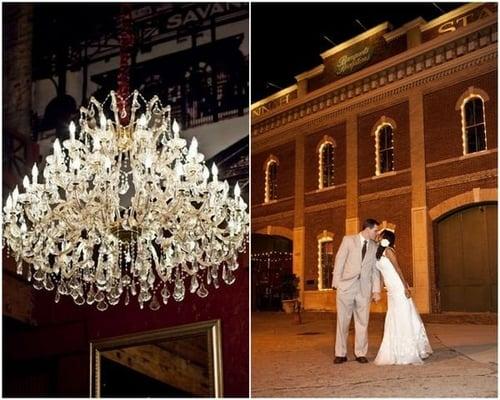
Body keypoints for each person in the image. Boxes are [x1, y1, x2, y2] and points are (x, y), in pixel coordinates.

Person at [374, 228, 433, 365]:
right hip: (391, 291)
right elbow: (382, 275)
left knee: (404, 316)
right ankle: (395, 350)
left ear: (385, 239)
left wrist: (406, 288)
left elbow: (398, 269)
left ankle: (411, 350)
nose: (378, 236)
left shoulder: (389, 251)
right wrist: (379, 290)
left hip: (399, 288)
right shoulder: (379, 253)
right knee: (393, 317)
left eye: (380, 235)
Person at [332, 218, 381, 364]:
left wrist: (376, 290)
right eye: (375, 230)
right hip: (346, 287)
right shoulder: (348, 240)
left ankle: (360, 353)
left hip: (364, 289)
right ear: (367, 229)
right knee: (343, 321)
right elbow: (339, 260)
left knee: (363, 322)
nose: (376, 233)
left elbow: (374, 270)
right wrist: (337, 283)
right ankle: (340, 353)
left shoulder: (373, 246)